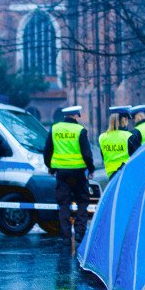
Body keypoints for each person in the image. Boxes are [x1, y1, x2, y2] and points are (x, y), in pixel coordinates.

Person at [43, 105, 95, 244]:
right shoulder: (80, 130)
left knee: (64, 204)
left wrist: (50, 166)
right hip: (78, 173)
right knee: (82, 202)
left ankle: (66, 236)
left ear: (65, 116)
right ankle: (79, 233)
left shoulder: (55, 129)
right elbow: (87, 154)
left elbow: (47, 150)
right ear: (76, 115)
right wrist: (91, 169)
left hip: (61, 173)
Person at [98, 106, 132, 178]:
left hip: (111, 176)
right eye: (127, 119)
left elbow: (103, 157)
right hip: (127, 175)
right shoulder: (128, 136)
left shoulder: (102, 137)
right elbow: (138, 156)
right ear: (124, 119)